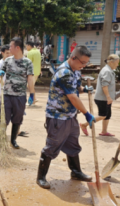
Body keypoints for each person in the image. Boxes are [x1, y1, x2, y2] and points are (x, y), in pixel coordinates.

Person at [36, 45, 95, 189]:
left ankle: (76, 172)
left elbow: (76, 88)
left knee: (73, 145)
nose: (84, 66)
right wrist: (87, 114)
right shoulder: (64, 73)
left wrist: (84, 89)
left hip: (70, 116)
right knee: (52, 146)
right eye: (83, 62)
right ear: (73, 58)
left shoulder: (76, 71)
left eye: (86, 63)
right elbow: (73, 97)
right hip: (58, 117)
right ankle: (41, 177)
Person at [0, 37, 35, 149]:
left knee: (17, 119)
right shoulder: (7, 61)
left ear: (17, 48)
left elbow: (30, 79)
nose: (9, 48)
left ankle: (13, 140)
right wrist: (1, 75)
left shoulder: (28, 63)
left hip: (20, 96)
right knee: (3, 118)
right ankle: (1, 139)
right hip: (7, 95)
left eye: (11, 46)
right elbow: (0, 74)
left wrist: (32, 94)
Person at [80, 54, 120, 137]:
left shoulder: (109, 70)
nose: (117, 64)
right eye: (117, 62)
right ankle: (84, 124)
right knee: (103, 115)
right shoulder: (107, 71)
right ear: (111, 62)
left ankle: (104, 131)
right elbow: (104, 85)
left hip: (105, 98)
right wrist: (108, 97)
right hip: (103, 98)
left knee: (107, 115)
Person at [0, 45, 11, 115]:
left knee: (5, 110)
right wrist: (5, 84)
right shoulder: (0, 63)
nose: (9, 55)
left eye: (10, 53)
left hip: (7, 91)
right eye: (7, 53)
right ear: (2, 53)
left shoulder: (11, 63)